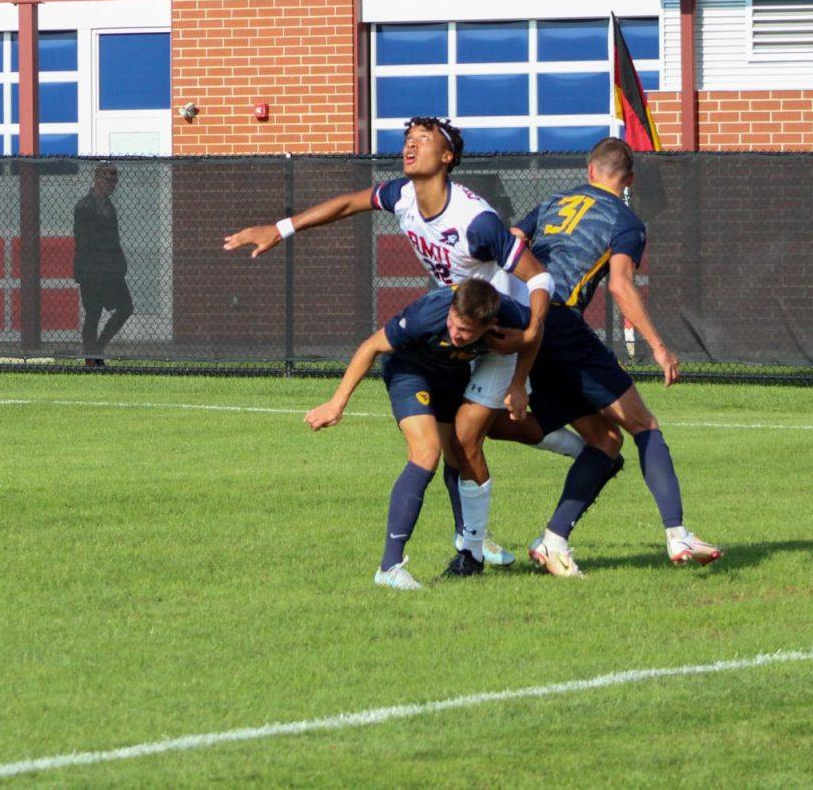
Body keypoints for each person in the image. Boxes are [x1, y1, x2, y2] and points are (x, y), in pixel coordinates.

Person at [223, 116, 577, 574]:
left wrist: (528, 340)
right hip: (453, 323)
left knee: (468, 436)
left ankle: (491, 528)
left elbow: (540, 277)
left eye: (422, 141)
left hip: (500, 331)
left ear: (447, 157)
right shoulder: (403, 196)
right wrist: (281, 228)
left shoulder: (477, 222)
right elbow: (350, 204)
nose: (409, 146)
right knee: (457, 440)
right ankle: (474, 538)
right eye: (407, 140)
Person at [513, 137, 722, 576]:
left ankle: (552, 541)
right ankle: (677, 534)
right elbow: (621, 285)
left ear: (590, 171)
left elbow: (512, 241)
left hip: (523, 323)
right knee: (644, 424)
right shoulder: (625, 220)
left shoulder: (553, 201)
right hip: (560, 325)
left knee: (606, 442)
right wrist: (659, 347)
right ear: (628, 180)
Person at [304, 279, 528, 590]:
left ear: (490, 323)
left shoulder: (511, 314)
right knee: (427, 451)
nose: (456, 333)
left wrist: (519, 380)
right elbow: (371, 346)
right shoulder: (428, 314)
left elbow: (535, 334)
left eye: (466, 331)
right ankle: (389, 567)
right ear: (450, 309)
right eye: (454, 323)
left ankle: (468, 538)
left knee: (458, 452)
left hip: (451, 377)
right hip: (410, 372)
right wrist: (336, 403)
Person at [73, 161, 133, 368]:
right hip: (92, 271)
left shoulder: (109, 207)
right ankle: (92, 358)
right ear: (98, 180)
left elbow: (113, 239)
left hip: (111, 271)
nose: (112, 184)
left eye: (115, 180)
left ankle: (97, 347)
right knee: (93, 314)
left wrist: (118, 262)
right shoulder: (84, 207)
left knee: (125, 307)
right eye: (109, 180)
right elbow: (84, 242)